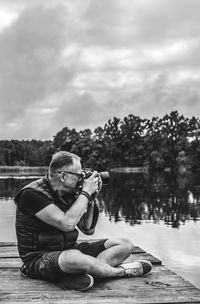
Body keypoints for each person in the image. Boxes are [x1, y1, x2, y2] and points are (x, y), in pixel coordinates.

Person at [15, 151, 152, 291]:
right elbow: (67, 224)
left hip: (69, 250)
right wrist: (85, 192)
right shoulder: (31, 194)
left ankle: (79, 273)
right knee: (74, 258)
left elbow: (87, 229)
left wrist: (91, 200)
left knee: (125, 244)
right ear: (63, 176)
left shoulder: (69, 193)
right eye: (79, 175)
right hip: (38, 259)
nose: (82, 178)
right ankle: (121, 272)